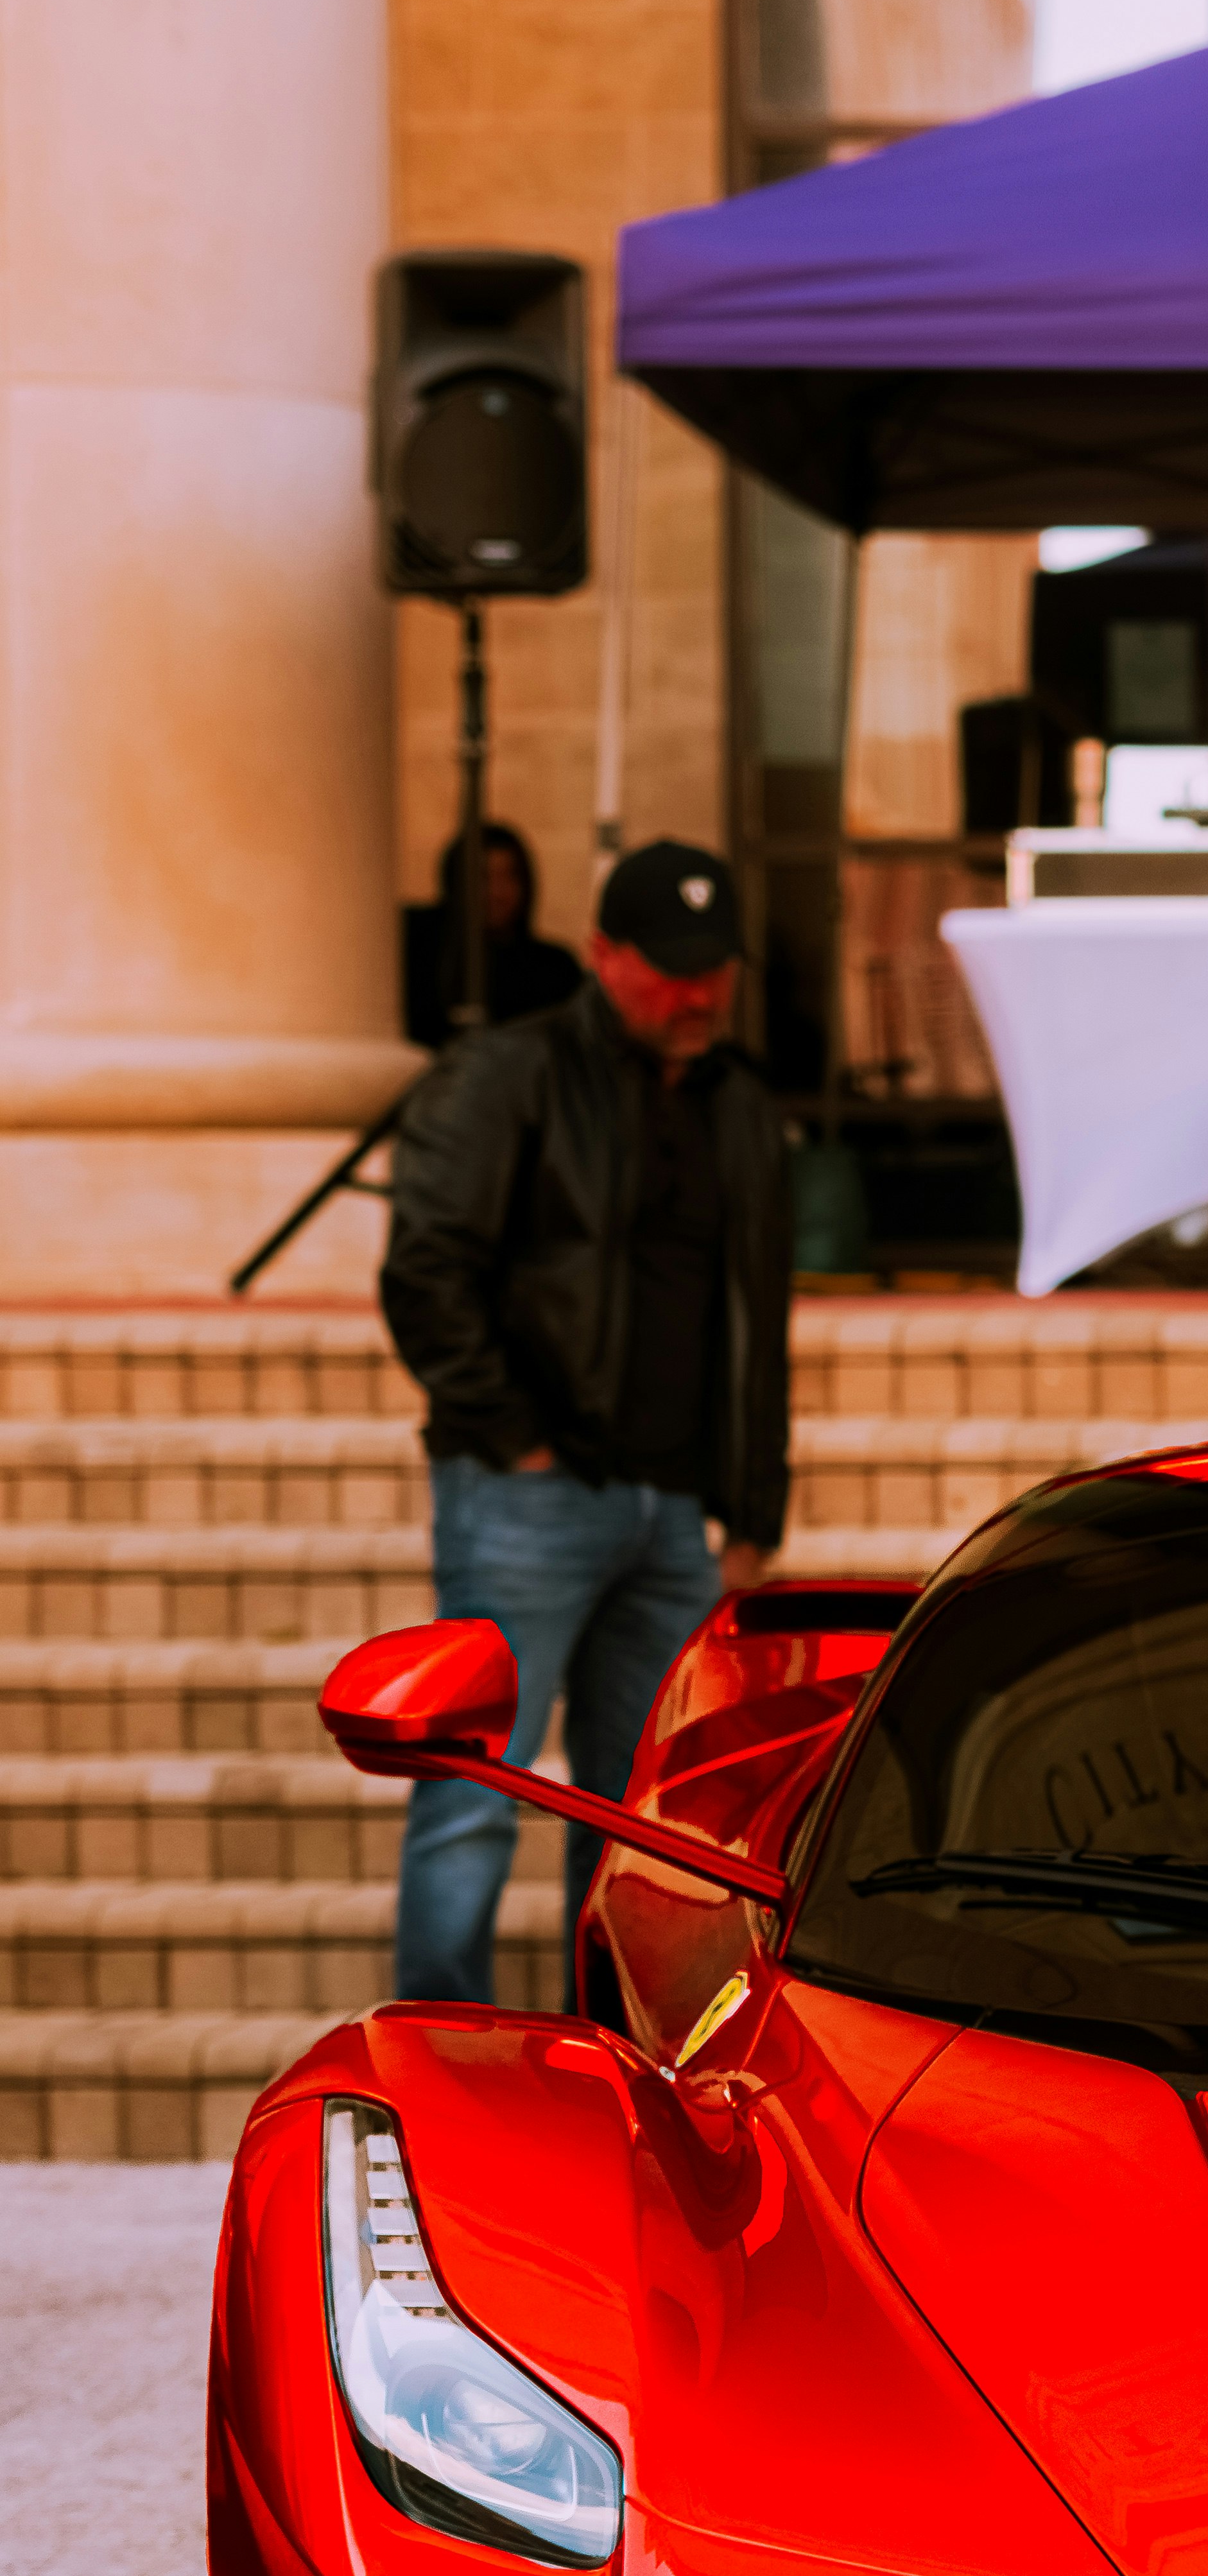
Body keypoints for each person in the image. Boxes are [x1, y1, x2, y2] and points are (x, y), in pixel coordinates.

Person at [379, 840, 793, 2004]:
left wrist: (753, 1513)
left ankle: (610, 2072)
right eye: (670, 968)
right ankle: (440, 2068)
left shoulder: (747, 1109)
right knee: (471, 1798)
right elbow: (427, 1274)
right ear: (604, 955)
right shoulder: (506, 1075)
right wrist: (518, 1439)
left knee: (640, 1823)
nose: (698, 993)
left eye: (716, 967)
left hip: (673, 1518)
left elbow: (759, 1325)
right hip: (528, 1496)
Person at [399, 821, 585, 1046]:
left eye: (509, 877)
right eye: (484, 878)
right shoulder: (424, 948)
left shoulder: (554, 969)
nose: (497, 892)